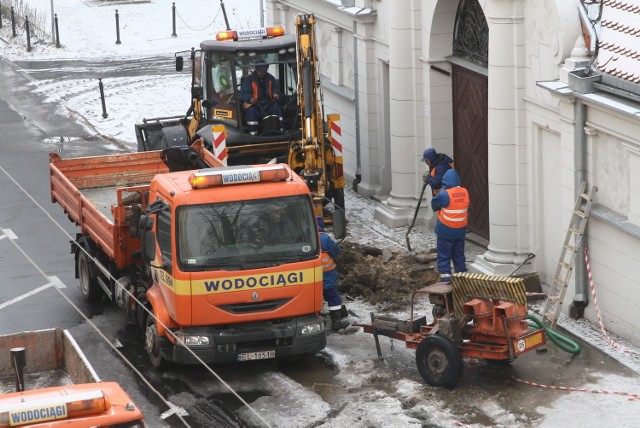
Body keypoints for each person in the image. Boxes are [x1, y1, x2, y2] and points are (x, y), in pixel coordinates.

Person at [431, 169, 469, 284]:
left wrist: (439, 193)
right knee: (458, 255)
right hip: (460, 230)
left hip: (445, 230)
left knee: (444, 255)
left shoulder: (444, 194)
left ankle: (446, 279)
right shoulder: (465, 191)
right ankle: (462, 279)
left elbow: (435, 205)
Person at [317, 216, 350, 331]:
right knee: (332, 296)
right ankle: (336, 322)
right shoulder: (324, 238)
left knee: (314, 298)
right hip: (326, 275)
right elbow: (335, 251)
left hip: (309, 276)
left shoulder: (303, 237)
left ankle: (318, 319)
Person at [241, 62, 284, 135]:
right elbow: (244, 93)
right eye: (260, 71)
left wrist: (276, 94)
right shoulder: (249, 79)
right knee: (252, 114)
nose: (262, 73)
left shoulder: (271, 78)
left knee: (278, 110)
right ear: (256, 70)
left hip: (268, 103)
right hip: (254, 104)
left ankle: (281, 131)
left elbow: (276, 89)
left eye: (264, 71)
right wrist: (250, 99)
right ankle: (253, 134)